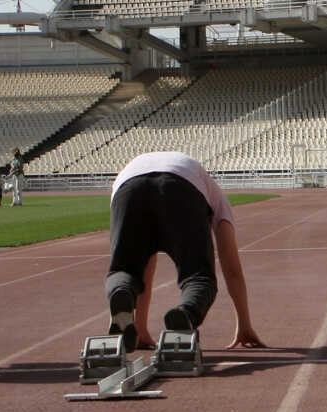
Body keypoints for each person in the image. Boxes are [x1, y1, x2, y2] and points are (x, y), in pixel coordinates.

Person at [105, 149, 266, 352]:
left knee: (125, 270)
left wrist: (141, 328)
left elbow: (146, 260)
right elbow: (231, 266)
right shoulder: (218, 198)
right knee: (199, 278)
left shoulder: (137, 172)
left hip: (127, 185)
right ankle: (186, 314)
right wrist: (244, 323)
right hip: (181, 185)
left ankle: (121, 292)